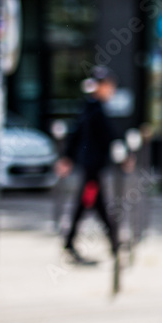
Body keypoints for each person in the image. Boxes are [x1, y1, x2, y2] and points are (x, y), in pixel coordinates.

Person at [55, 66, 123, 265]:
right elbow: (101, 137)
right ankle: (110, 243)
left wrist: (68, 157)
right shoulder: (94, 109)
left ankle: (113, 242)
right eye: (109, 86)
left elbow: (77, 135)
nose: (112, 91)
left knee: (91, 203)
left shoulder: (90, 107)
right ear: (100, 87)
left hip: (92, 167)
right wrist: (68, 157)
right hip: (92, 167)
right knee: (88, 203)